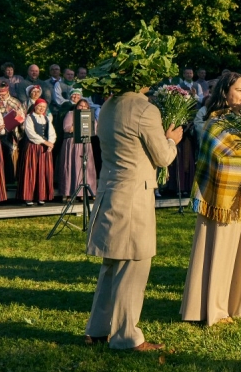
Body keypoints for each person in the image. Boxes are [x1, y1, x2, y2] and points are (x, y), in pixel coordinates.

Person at [84, 80, 182, 350]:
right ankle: (126, 337)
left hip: (110, 190)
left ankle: (97, 329)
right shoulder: (144, 109)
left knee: (111, 264)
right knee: (132, 265)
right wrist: (171, 141)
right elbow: (162, 157)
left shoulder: (108, 106)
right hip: (133, 197)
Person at [181, 72, 241, 325]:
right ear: (225, 92)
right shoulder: (215, 123)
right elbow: (220, 161)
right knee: (221, 252)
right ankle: (215, 308)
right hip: (222, 198)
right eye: (239, 89)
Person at [16, 98, 56, 206]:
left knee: (42, 172)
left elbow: (52, 133)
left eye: (43, 107)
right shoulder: (29, 117)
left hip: (44, 148)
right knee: (31, 171)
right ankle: (28, 197)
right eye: (39, 106)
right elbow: (31, 134)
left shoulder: (47, 118)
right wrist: (46, 142)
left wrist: (51, 143)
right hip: (33, 147)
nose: (41, 109)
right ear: (35, 107)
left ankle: (41, 196)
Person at [57, 97, 98, 201]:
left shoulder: (89, 116)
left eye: (85, 106)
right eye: (81, 105)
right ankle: (69, 192)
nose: (83, 108)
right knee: (72, 166)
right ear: (77, 106)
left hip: (85, 143)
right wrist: (82, 126)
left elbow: (95, 129)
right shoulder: (71, 114)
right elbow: (67, 128)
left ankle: (85, 193)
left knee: (85, 167)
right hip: (72, 143)